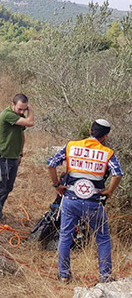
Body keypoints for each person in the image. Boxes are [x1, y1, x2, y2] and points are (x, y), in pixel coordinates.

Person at [47, 119, 123, 283]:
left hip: (70, 199)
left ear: (90, 130)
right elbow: (118, 173)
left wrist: (57, 185)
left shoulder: (71, 146)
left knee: (65, 236)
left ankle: (64, 274)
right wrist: (109, 191)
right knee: (102, 238)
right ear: (105, 136)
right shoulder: (107, 152)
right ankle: (105, 276)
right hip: (94, 202)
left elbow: (51, 164)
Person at [0, 94, 34, 223]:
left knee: (8, 187)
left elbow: (21, 134)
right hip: (3, 155)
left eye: (24, 109)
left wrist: (20, 153)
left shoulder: (18, 116)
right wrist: (30, 110)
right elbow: (30, 122)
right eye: (20, 109)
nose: (22, 112)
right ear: (12, 104)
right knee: (0, 187)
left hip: (14, 156)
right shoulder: (7, 114)